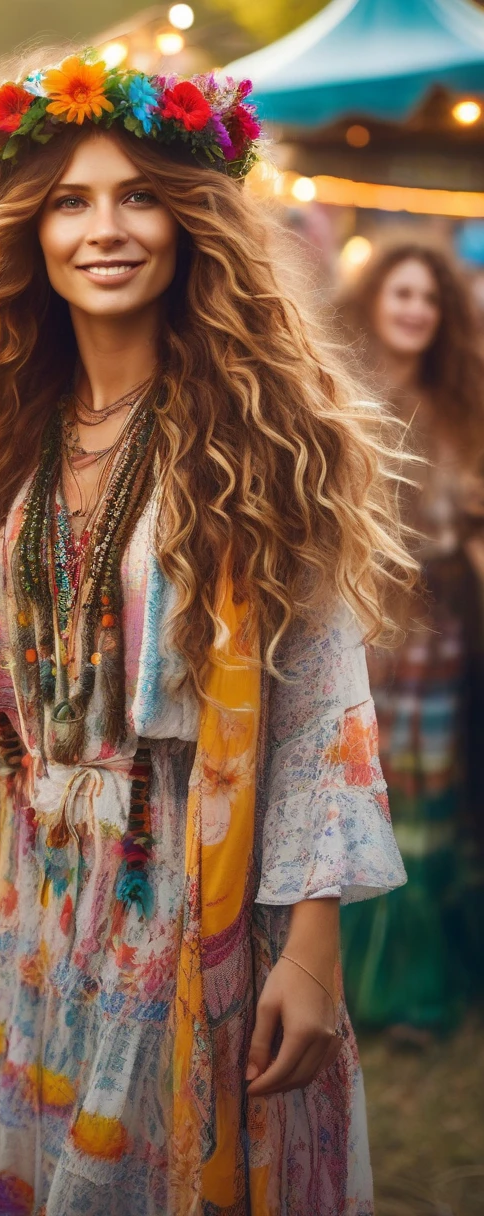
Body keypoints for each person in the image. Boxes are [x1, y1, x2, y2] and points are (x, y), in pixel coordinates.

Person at [0, 55, 413, 1214]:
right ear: (30, 235)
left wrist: (314, 947)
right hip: (46, 920)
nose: (104, 228)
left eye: (137, 195)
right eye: (69, 200)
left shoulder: (266, 435)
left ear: (190, 220)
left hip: (200, 916)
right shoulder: (13, 434)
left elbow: (321, 705)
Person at [338, 244, 484, 1040]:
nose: (416, 310)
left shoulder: (459, 403)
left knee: (421, 804)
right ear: (374, 300)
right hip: (353, 627)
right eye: (402, 293)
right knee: (356, 793)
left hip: (434, 627)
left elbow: (466, 525)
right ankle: (345, 982)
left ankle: (411, 988)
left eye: (430, 297)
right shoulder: (334, 390)